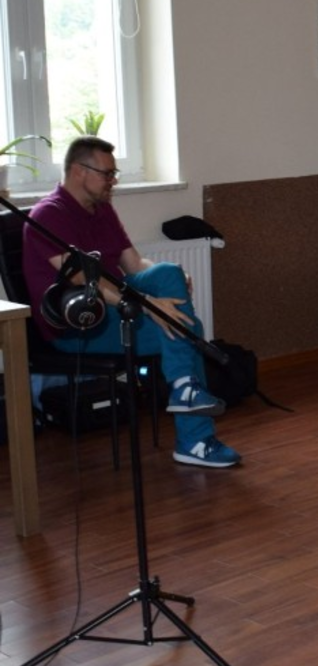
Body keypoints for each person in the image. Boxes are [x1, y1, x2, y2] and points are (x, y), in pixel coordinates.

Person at [24, 137, 241, 468]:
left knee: (168, 274)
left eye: (115, 173)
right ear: (80, 171)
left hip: (116, 305)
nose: (113, 181)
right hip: (80, 324)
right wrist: (147, 304)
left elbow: (135, 264)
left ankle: (184, 390)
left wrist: (175, 276)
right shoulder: (48, 215)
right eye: (107, 173)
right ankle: (194, 438)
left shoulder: (102, 210)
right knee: (189, 330)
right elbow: (83, 279)